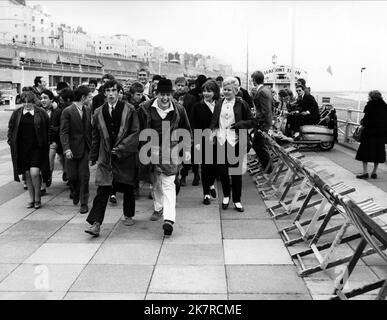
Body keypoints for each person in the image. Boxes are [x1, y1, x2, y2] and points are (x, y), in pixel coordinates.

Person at [85, 80, 140, 237]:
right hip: (106, 157)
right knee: (103, 189)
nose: (110, 94)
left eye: (113, 91)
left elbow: (135, 132)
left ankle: (128, 214)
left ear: (119, 92)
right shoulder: (98, 112)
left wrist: (122, 147)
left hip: (125, 156)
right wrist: (93, 156)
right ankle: (96, 224)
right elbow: (95, 136)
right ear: (104, 93)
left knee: (128, 187)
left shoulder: (129, 110)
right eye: (107, 91)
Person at [138, 78, 192, 236]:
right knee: (155, 182)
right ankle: (158, 208)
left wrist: (187, 148)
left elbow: (186, 130)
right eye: (162, 94)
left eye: (168, 94)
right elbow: (138, 130)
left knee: (169, 184)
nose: (165, 98)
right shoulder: (145, 108)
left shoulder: (179, 109)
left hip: (171, 149)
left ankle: (169, 220)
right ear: (156, 94)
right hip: (150, 148)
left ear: (172, 94)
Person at [209, 77, 254, 212]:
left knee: (236, 173)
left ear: (235, 90)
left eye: (229, 90)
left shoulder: (242, 104)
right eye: (225, 89)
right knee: (222, 171)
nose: (226, 92)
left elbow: (252, 121)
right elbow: (214, 121)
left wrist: (240, 125)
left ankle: (237, 200)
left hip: (236, 141)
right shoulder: (219, 103)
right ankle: (226, 196)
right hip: (221, 141)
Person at [8, 91, 50, 209]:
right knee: (27, 174)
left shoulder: (41, 113)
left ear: (33, 102)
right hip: (22, 149)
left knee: (35, 173)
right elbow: (11, 128)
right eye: (24, 102)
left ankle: (38, 198)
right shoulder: (17, 113)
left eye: (29, 102)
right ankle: (31, 199)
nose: (27, 104)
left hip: (37, 147)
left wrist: (48, 142)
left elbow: (48, 128)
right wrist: (10, 141)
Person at [60, 86, 92, 214]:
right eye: (89, 97)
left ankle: (84, 202)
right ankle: (75, 192)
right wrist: (66, 149)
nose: (90, 99)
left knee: (84, 176)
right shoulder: (67, 111)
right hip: (72, 149)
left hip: (85, 148)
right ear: (83, 97)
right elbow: (64, 132)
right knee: (72, 176)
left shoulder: (88, 110)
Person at [192, 79, 219, 205]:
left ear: (215, 92)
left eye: (209, 91)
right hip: (203, 140)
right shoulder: (198, 106)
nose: (206, 94)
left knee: (215, 167)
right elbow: (195, 125)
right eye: (204, 91)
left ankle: (211, 184)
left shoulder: (220, 105)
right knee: (205, 167)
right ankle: (206, 194)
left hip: (218, 140)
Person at [180, 74, 207, 186]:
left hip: (187, 127)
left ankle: (184, 176)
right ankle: (196, 175)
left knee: (187, 154)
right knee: (195, 154)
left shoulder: (190, 95)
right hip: (197, 127)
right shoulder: (199, 95)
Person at [355, 90, 387, 179]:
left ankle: (365, 172)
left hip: (369, 133)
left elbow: (366, 119)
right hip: (380, 134)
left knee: (364, 152)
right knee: (378, 152)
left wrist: (362, 123)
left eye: (368, 96)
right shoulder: (385, 106)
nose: (367, 98)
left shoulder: (370, 105)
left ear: (371, 97)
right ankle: (374, 172)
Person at [250, 70, 273, 172]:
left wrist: (259, 123)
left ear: (254, 80)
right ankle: (266, 166)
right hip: (264, 123)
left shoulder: (262, 92)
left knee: (258, 145)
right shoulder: (265, 90)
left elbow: (265, 111)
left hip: (262, 124)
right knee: (259, 145)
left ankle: (268, 168)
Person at [41, 89, 65, 187]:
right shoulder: (39, 111)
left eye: (45, 98)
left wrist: (52, 130)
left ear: (51, 100)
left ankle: (63, 172)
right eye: (41, 98)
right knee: (44, 163)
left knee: (56, 160)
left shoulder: (58, 111)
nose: (43, 100)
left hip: (54, 141)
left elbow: (62, 127)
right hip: (42, 142)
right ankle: (44, 181)